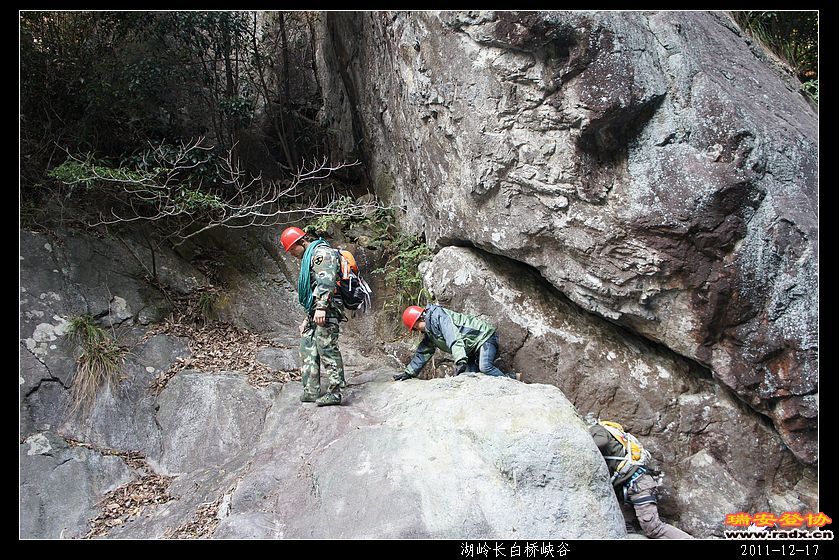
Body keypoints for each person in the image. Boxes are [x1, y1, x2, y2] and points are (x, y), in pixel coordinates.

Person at [589, 421, 692, 539]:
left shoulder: (595, 428)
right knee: (622, 527)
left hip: (637, 484)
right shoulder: (610, 431)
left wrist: (581, 444)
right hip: (629, 487)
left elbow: (601, 441)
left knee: (654, 528)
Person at [280, 226, 345, 406]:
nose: (291, 254)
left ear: (301, 242)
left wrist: (322, 307)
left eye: (292, 249)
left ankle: (335, 392)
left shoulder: (322, 253)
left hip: (327, 309)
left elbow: (326, 281)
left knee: (327, 348)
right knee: (307, 344)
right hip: (315, 311)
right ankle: (311, 389)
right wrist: (307, 317)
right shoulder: (309, 257)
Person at [393, 304, 521, 381]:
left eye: (415, 327)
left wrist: (460, 360)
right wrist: (408, 373)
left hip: (484, 337)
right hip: (471, 349)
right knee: (470, 377)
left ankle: (512, 381)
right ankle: (512, 378)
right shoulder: (430, 332)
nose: (417, 330)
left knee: (485, 367)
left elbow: (452, 336)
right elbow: (423, 352)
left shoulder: (438, 317)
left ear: (420, 318)